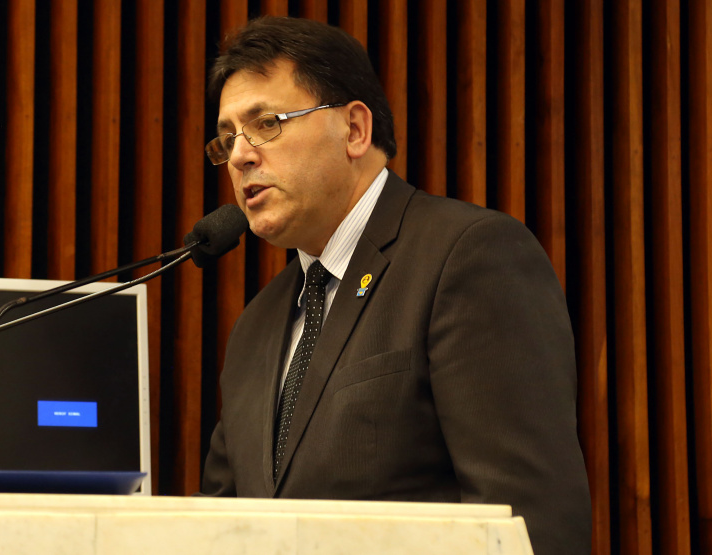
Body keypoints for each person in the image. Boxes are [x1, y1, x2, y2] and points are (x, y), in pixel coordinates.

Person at [198, 16, 591, 555]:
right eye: (227, 139)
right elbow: (219, 527)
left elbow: (530, 522)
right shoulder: (256, 325)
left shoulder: (467, 257)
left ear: (354, 130)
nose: (241, 155)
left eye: (267, 123)